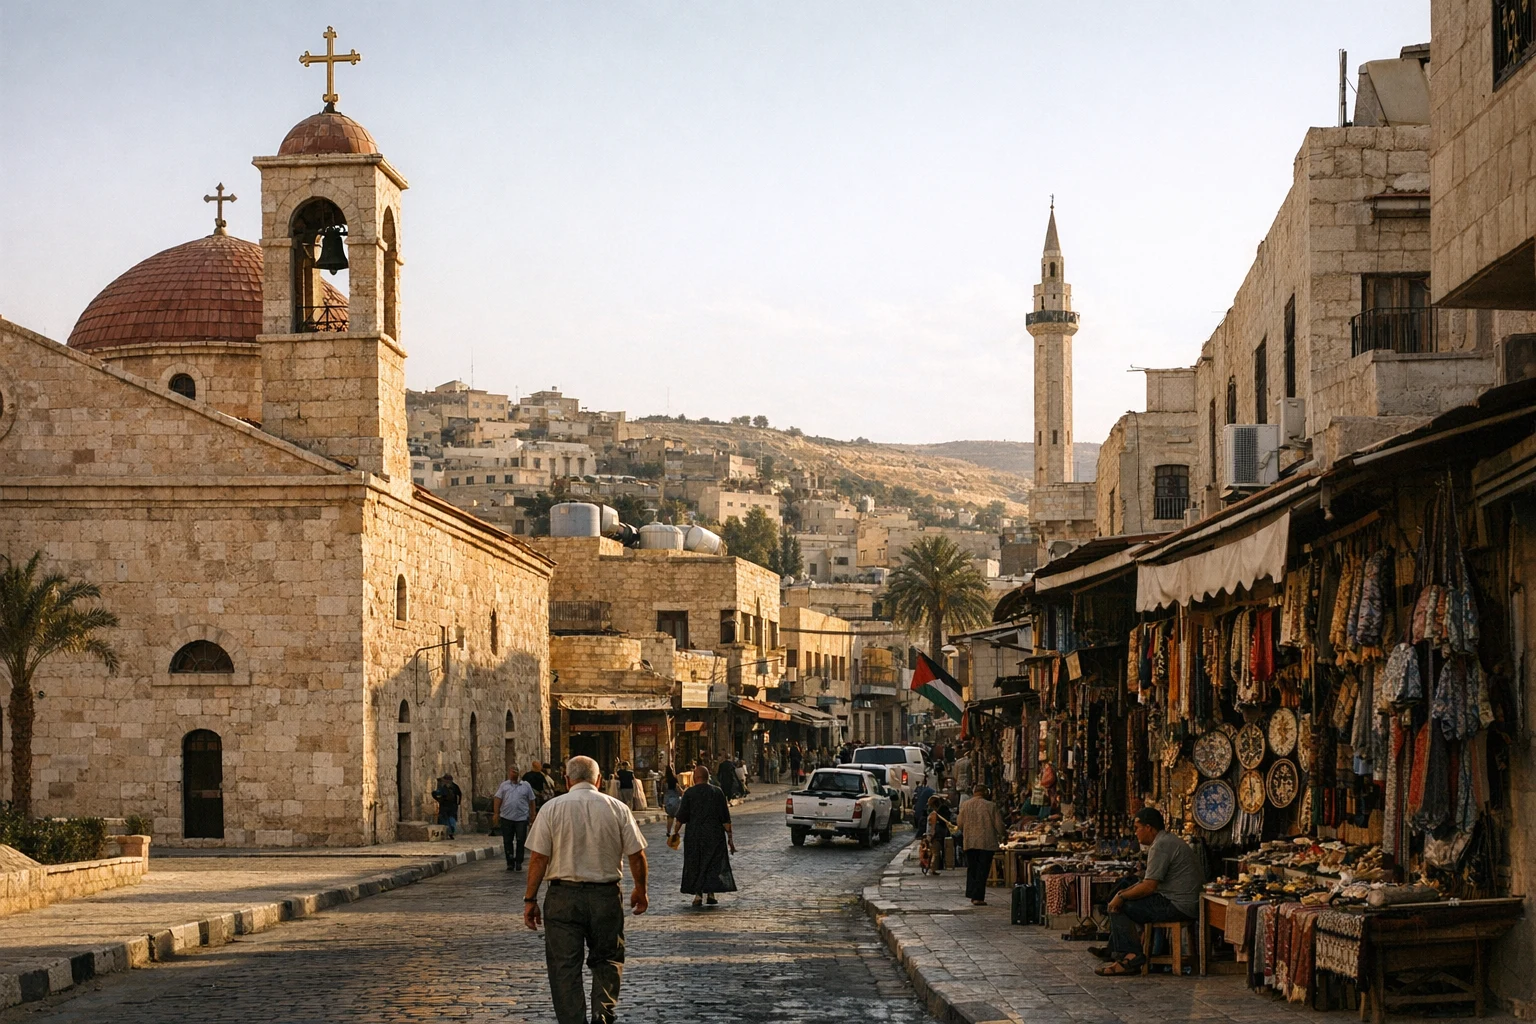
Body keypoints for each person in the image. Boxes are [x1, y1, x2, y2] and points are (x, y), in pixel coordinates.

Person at [524, 755, 648, 1024]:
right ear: (599, 780)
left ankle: (573, 1021)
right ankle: (602, 1012)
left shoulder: (551, 808)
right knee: (608, 958)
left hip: (562, 898)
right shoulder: (617, 808)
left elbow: (538, 858)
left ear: (566, 779)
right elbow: (636, 855)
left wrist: (530, 899)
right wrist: (640, 889)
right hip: (605, 896)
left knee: (564, 966)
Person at [1094, 807, 1202, 977]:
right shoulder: (1167, 841)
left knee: (1120, 906)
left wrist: (1120, 896)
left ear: (1149, 828)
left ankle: (1130, 958)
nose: (1135, 833)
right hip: (1181, 902)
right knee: (1125, 897)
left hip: (1179, 905)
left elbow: (1149, 886)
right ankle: (1123, 952)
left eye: (1137, 828)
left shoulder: (1161, 846)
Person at [675, 766, 737, 908]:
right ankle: (710, 894)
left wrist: (675, 833)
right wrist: (730, 839)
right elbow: (725, 819)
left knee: (695, 864)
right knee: (712, 864)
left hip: (694, 836)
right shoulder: (717, 792)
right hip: (715, 836)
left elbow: (680, 817)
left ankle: (698, 896)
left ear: (695, 777)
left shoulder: (689, 793)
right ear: (707, 777)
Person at [956, 785, 1006, 906]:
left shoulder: (965, 805)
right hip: (986, 842)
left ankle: (973, 895)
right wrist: (1004, 835)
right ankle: (978, 897)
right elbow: (999, 824)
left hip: (970, 842)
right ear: (985, 792)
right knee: (982, 870)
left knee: (972, 868)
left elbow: (959, 824)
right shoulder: (991, 806)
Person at [493, 767, 536, 871]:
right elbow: (498, 799)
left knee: (521, 840)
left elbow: (531, 800)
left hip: (521, 818)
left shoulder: (526, 786)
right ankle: (510, 861)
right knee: (507, 840)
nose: (513, 774)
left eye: (515, 772)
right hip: (506, 817)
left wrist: (532, 814)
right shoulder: (504, 786)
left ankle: (519, 861)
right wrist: (496, 813)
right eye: (511, 772)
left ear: (518, 773)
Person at [927, 796, 956, 875]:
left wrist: (930, 835)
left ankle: (932, 868)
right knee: (936, 851)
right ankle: (933, 868)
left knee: (934, 852)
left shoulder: (935, 813)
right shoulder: (938, 812)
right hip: (938, 834)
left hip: (935, 834)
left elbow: (931, 826)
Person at [431, 773, 463, 839]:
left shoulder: (444, 787)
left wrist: (437, 799)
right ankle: (451, 831)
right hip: (453, 806)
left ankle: (448, 832)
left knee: (444, 819)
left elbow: (436, 793)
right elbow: (459, 795)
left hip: (444, 806)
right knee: (452, 819)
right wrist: (458, 804)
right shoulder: (455, 786)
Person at [662, 765, 684, 840]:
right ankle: (676, 831)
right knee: (677, 816)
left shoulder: (664, 781)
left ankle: (668, 831)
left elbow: (663, 791)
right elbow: (679, 789)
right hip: (676, 799)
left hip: (667, 800)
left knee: (670, 816)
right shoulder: (674, 779)